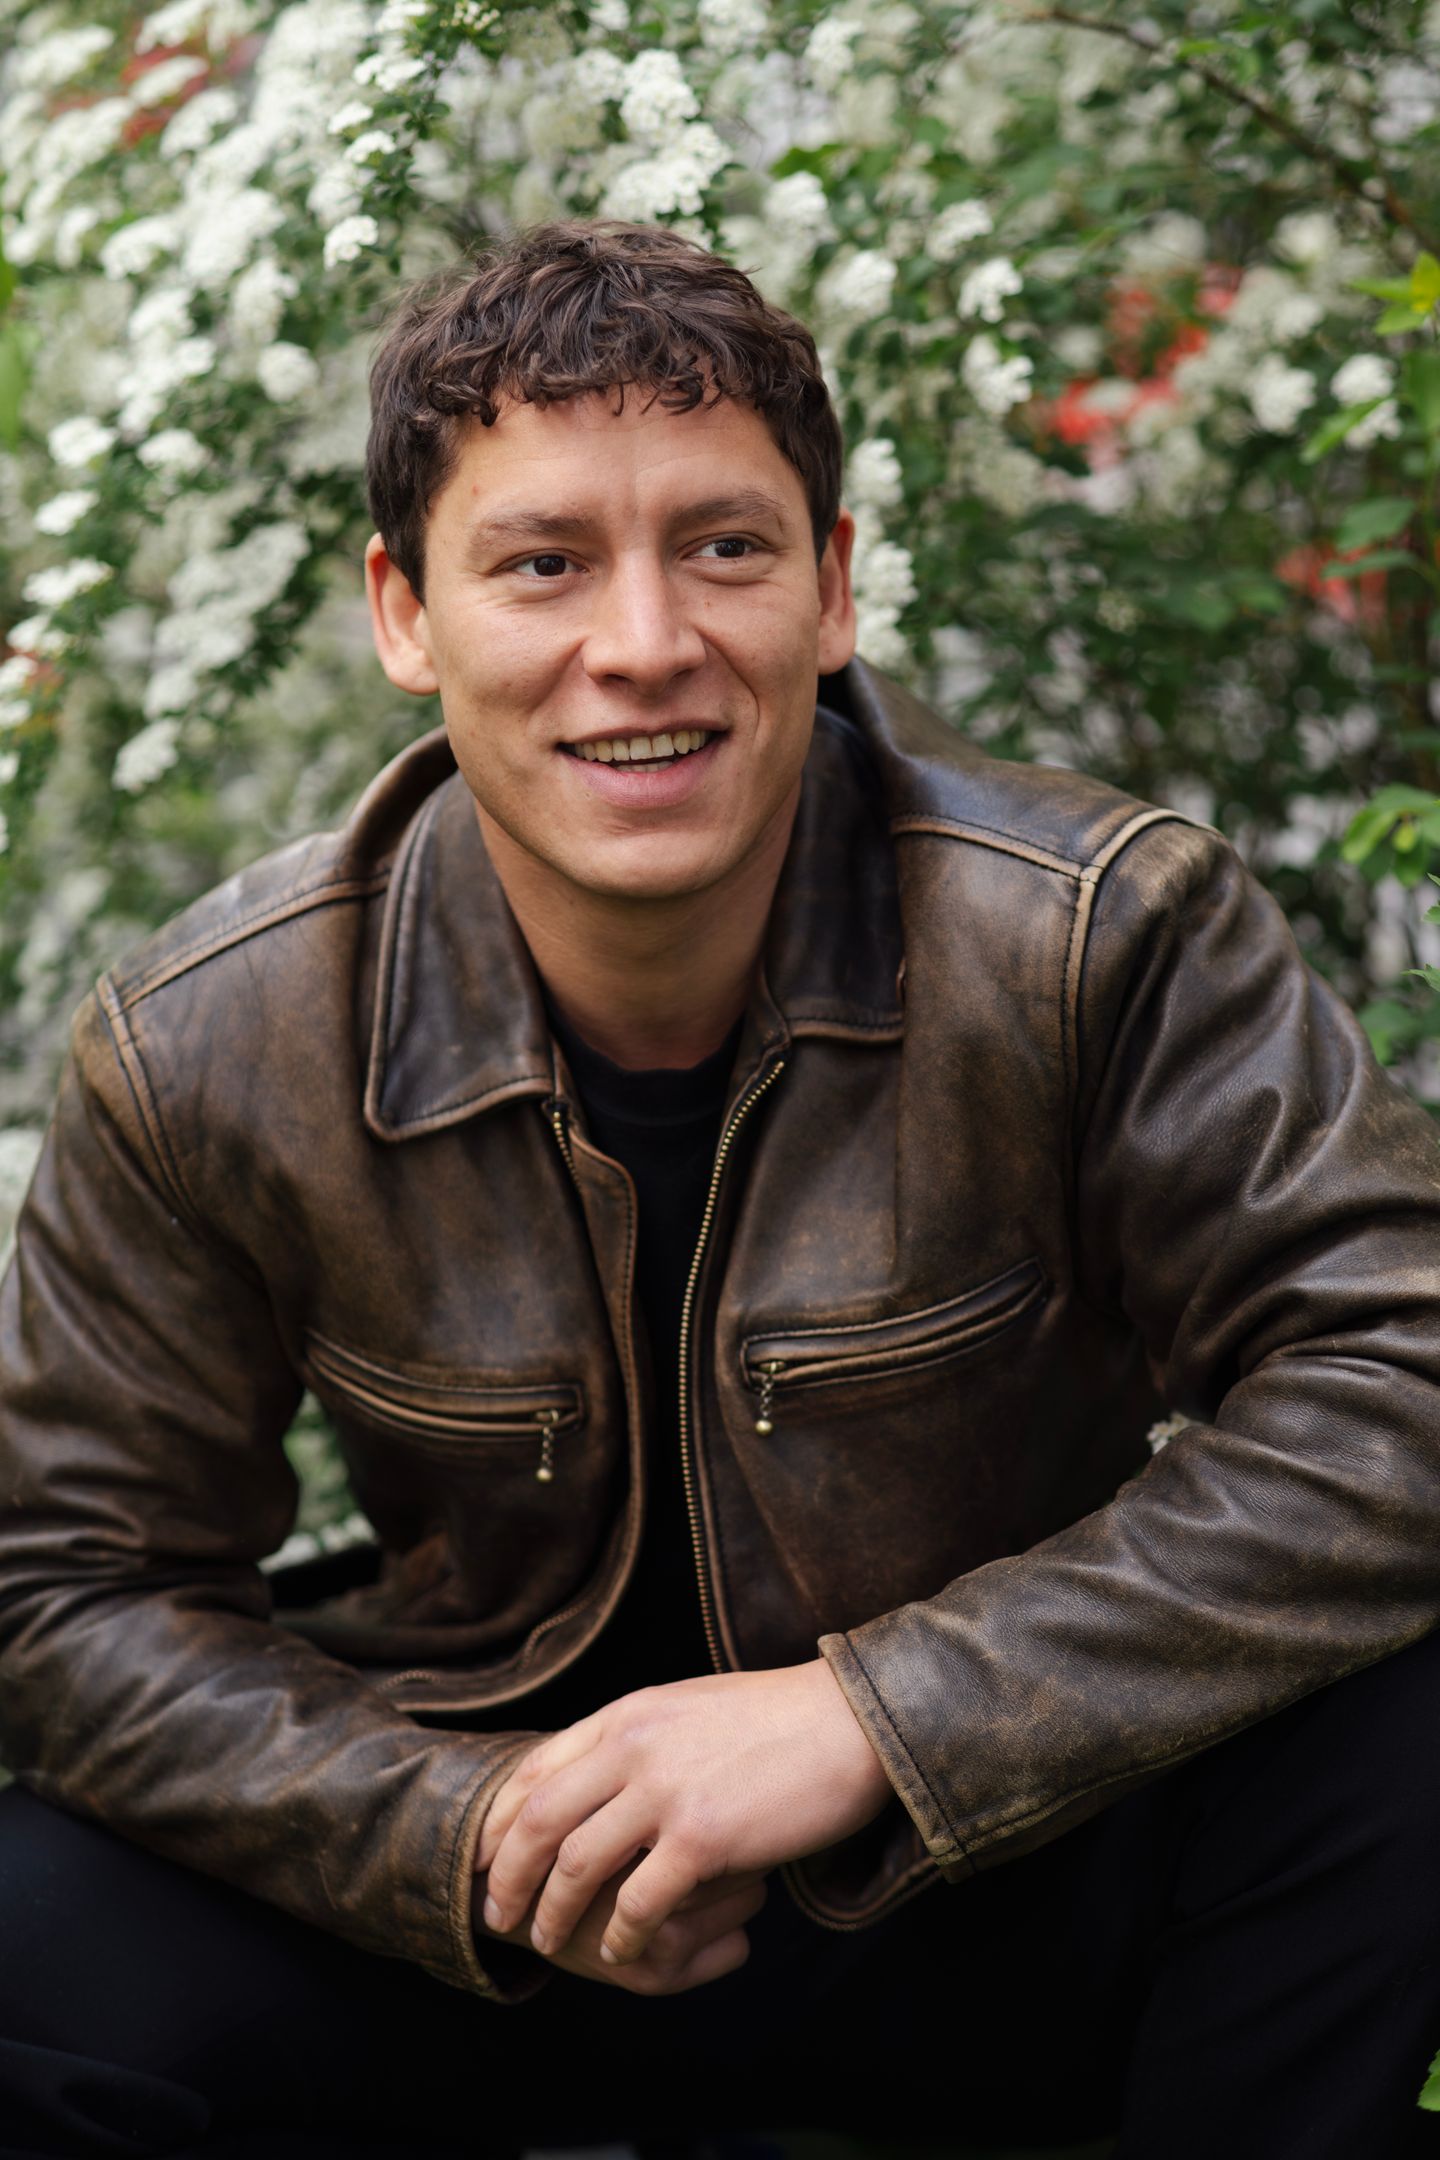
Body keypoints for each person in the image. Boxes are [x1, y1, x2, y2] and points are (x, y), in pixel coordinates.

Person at [2, 217, 1440, 2160]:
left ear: (831, 589)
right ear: (405, 614)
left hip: (988, 1868)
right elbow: (68, 1593)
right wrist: (462, 1834)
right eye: (543, 563)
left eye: (724, 548)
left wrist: (873, 1719)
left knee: (1402, 1706)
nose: (643, 643)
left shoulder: (1095, 936)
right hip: (482, 1924)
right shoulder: (208, 1041)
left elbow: (1404, 1379)